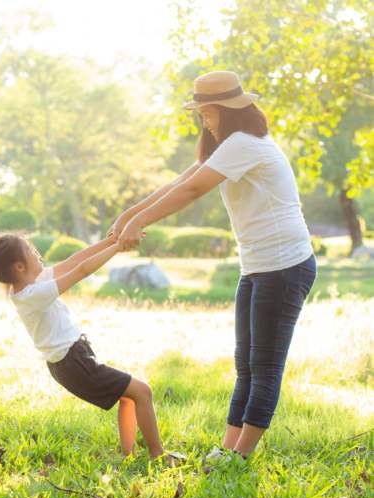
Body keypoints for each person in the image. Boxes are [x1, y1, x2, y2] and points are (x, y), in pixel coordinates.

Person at [109, 70, 316, 459]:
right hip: (257, 266)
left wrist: (138, 223)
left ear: (225, 110)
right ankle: (227, 451)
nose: (203, 121)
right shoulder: (230, 146)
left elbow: (191, 190)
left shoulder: (244, 144)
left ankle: (239, 457)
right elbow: (180, 180)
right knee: (245, 364)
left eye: (206, 113)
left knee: (263, 365)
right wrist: (129, 215)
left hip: (285, 266)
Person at [0, 233, 182, 462]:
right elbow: (80, 271)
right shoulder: (32, 294)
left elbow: (73, 262)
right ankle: (157, 455)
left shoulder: (32, 283)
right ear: (20, 266)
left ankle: (129, 455)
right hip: (73, 363)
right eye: (31, 250)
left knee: (129, 396)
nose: (37, 253)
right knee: (143, 391)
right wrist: (117, 248)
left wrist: (111, 241)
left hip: (72, 359)